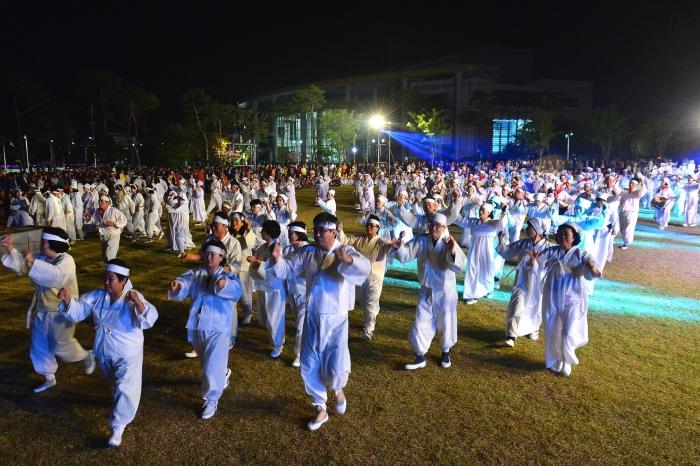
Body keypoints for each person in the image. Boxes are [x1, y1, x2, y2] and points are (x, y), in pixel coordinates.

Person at [265, 212, 371, 430]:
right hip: (313, 314)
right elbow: (288, 268)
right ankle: (320, 408)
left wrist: (348, 261)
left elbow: (364, 268)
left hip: (337, 317)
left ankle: (338, 389)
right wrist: (276, 258)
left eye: (323, 231)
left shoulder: (345, 250)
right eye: (316, 230)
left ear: (334, 232)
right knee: (309, 360)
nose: (318, 234)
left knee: (336, 359)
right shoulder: (308, 251)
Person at [58, 259, 158, 447]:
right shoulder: (97, 296)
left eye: (110, 278)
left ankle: (117, 427)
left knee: (125, 388)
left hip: (128, 353)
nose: (105, 282)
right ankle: (119, 405)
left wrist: (138, 303)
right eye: (105, 278)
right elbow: (79, 311)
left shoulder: (132, 296)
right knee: (115, 386)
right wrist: (68, 301)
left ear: (123, 280)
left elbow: (148, 319)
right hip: (104, 350)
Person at [1, 227, 95, 393]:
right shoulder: (42, 257)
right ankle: (49, 378)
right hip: (42, 310)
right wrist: (9, 247)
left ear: (53, 244)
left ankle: (86, 355)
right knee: (39, 346)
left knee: (61, 347)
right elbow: (23, 266)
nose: (40, 244)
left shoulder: (66, 260)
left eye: (43, 242)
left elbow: (56, 277)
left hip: (62, 312)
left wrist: (34, 262)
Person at [168, 240, 242, 420]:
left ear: (221, 257)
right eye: (206, 254)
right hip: (197, 326)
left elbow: (236, 291)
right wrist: (177, 285)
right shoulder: (196, 274)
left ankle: (211, 401)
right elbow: (183, 282)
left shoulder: (228, 276)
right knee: (207, 361)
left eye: (213, 254)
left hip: (218, 328)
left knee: (210, 367)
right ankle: (222, 372)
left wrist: (224, 285)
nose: (209, 257)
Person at [390, 213, 466, 370]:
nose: (434, 228)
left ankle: (445, 352)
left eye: (438, 225)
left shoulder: (448, 242)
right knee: (420, 319)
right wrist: (399, 248)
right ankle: (419, 356)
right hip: (426, 288)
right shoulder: (422, 240)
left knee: (445, 321)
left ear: (444, 228)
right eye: (432, 224)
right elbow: (406, 255)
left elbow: (459, 265)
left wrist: (452, 252)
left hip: (445, 291)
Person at [527, 223, 601, 376]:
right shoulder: (551, 252)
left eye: (566, 233)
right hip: (553, 297)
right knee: (553, 329)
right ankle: (556, 359)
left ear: (574, 237)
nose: (562, 236)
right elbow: (538, 266)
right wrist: (534, 261)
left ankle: (567, 360)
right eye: (560, 233)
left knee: (568, 331)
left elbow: (594, 272)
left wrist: (591, 269)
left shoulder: (582, 255)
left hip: (573, 299)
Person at [496, 218, 554, 346]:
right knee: (516, 304)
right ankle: (511, 335)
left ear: (538, 230)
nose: (527, 229)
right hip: (522, 280)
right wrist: (500, 240)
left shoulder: (549, 247)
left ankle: (533, 328)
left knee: (536, 307)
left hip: (538, 282)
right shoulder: (523, 243)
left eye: (530, 227)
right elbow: (507, 252)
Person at [339, 215, 395, 340]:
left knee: (370, 303)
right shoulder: (358, 238)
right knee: (364, 302)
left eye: (372, 226)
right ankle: (372, 314)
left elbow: (389, 248)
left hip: (375, 277)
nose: (369, 227)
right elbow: (344, 241)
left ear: (377, 228)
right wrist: (340, 231)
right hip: (359, 276)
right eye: (368, 225)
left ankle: (369, 329)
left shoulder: (381, 242)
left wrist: (395, 244)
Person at [247, 220, 287, 358]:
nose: (261, 232)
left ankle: (278, 345)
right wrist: (257, 261)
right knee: (263, 317)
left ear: (269, 233)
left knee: (274, 318)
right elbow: (261, 264)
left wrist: (257, 262)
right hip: (264, 286)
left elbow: (275, 268)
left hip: (275, 288)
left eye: (263, 230)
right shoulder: (264, 246)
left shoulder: (277, 247)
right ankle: (274, 337)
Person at [457, 202, 509, 304]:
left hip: (486, 252)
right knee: (472, 271)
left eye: (483, 210)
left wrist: (504, 212)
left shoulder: (492, 223)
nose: (480, 212)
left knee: (486, 271)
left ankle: (489, 290)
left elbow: (502, 223)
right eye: (480, 209)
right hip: (474, 251)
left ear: (489, 213)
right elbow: (460, 220)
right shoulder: (474, 222)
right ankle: (472, 295)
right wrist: (451, 207)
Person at [282, 221, 308, 367]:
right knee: (300, 324)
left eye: (291, 233)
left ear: (299, 234)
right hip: (292, 292)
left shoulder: (308, 251)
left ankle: (299, 355)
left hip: (305, 294)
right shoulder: (287, 250)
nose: (289, 235)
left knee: (300, 327)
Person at [86, 195, 128, 263]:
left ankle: (114, 271)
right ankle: (109, 270)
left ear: (107, 202)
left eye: (102, 201)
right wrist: (90, 218)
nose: (100, 203)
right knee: (105, 256)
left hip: (113, 235)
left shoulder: (114, 211)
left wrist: (114, 223)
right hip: (103, 235)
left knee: (110, 255)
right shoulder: (98, 211)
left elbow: (124, 220)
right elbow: (96, 222)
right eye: (99, 201)